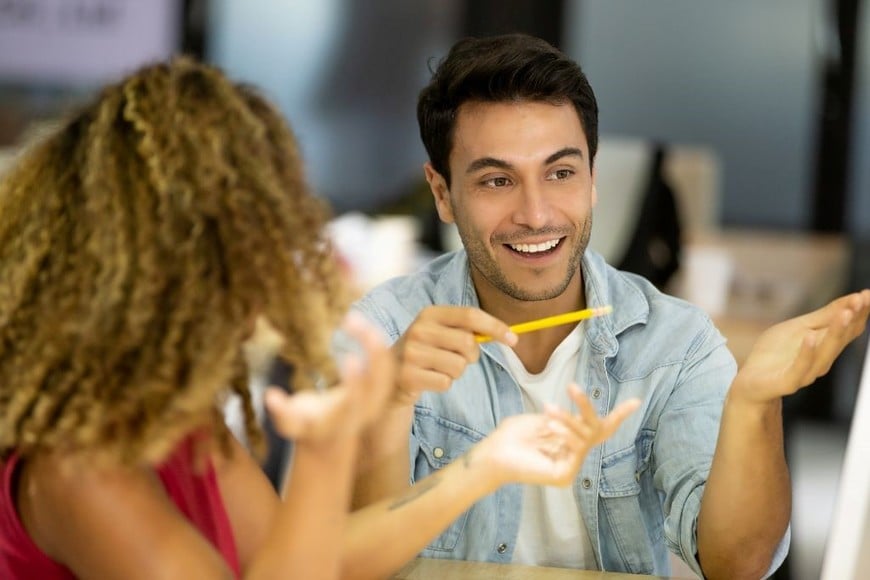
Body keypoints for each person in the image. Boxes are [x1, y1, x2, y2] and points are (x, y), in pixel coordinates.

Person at [0, 58, 639, 580]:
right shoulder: (81, 471)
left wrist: (488, 464)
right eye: (251, 256)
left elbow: (310, 561)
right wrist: (327, 455)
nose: (264, 295)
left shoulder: (178, 424)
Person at [342, 33, 870, 578]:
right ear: (443, 193)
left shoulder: (676, 343)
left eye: (561, 173)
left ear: (593, 179)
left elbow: (737, 565)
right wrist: (390, 401)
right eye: (497, 180)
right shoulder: (378, 333)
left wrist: (754, 403)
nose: (536, 213)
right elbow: (340, 566)